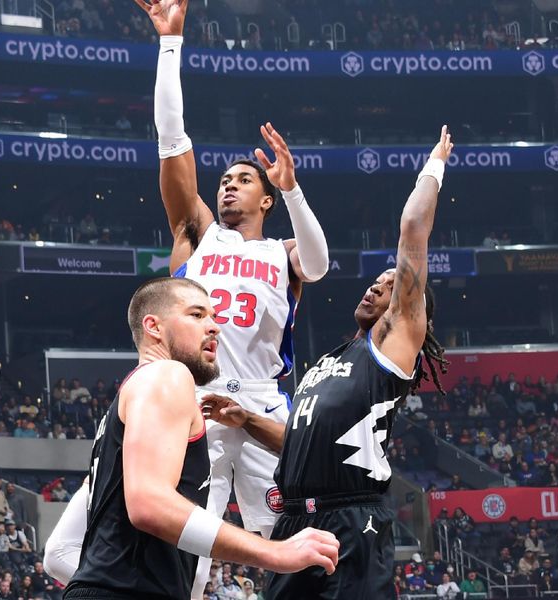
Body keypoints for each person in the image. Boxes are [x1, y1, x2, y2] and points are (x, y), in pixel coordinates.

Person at [203, 127, 454, 599]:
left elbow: (413, 229)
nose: (376, 288)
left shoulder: (391, 349)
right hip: (298, 520)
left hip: (352, 516)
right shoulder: (327, 363)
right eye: (375, 283)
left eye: (387, 286)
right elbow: (301, 444)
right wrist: (246, 420)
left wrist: (434, 167)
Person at [136, 0, 329, 594]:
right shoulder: (197, 232)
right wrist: (171, 45)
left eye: (243, 179)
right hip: (197, 399)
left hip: (266, 407)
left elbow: (319, 267)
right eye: (224, 180)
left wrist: (294, 190)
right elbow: (173, 141)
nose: (227, 184)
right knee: (187, 548)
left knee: (290, 543)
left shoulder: (283, 252)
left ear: (266, 198)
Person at [64, 278, 338, 600]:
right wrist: (274, 553)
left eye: (213, 317)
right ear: (153, 326)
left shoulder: (131, 398)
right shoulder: (167, 375)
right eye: (197, 315)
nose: (214, 328)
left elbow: (65, 549)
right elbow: (149, 504)